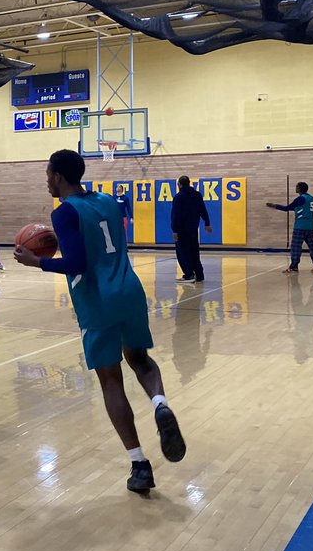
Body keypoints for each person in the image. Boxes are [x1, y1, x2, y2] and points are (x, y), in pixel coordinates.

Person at [14, 149, 186, 494]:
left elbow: (76, 263)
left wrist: (38, 262)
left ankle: (140, 465)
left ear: (59, 176)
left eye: (48, 173)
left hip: (98, 300)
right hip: (130, 290)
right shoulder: (108, 200)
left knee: (111, 382)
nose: (46, 179)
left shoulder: (64, 212)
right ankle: (160, 404)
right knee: (140, 360)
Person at [266, 182, 313, 274]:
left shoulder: (300, 198)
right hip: (310, 226)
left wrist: (275, 206)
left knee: (296, 247)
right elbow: (299, 208)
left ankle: (294, 267)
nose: (295, 188)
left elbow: (287, 208)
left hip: (300, 226)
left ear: (299, 189)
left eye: (297, 187)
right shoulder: (311, 198)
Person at [170, 176, 211, 283]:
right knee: (194, 251)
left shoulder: (179, 197)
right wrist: (207, 223)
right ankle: (199, 274)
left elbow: (175, 215)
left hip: (182, 230)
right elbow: (203, 209)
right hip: (193, 228)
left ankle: (188, 275)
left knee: (183, 253)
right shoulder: (197, 195)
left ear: (180, 184)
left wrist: (174, 230)